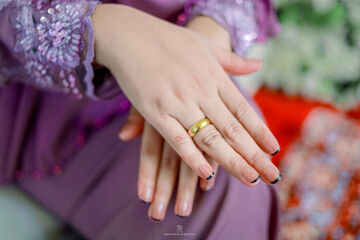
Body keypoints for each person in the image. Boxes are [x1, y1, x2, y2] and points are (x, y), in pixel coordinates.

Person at [0, 0, 281, 239]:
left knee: (223, 173)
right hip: (31, 100)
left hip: (175, 52)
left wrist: (209, 30)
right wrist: (104, 30)